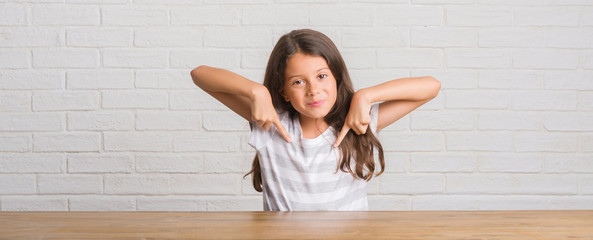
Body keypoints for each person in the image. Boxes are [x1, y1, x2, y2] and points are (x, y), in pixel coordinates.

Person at [191, 29, 440, 211]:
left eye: (322, 76)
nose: (313, 90)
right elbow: (199, 75)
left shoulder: (355, 123)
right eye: (298, 82)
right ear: (283, 92)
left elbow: (431, 86)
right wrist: (256, 91)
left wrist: (367, 95)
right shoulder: (271, 125)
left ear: (336, 78)